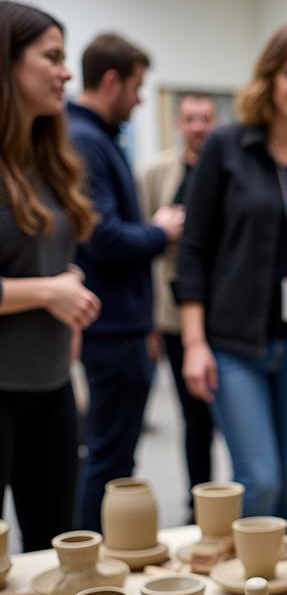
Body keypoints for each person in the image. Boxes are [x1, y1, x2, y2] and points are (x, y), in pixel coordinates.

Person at [178, 22, 287, 556]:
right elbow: (194, 249)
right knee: (261, 478)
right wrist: (193, 342)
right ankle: (251, 592)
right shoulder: (226, 147)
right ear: (271, 76)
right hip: (236, 346)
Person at [0, 0, 101, 595]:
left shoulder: (50, 157)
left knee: (55, 565)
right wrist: (49, 292)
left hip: (46, 390)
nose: (66, 71)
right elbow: (44, 283)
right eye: (52, 56)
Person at [68, 32, 184, 531]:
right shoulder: (85, 140)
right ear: (112, 80)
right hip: (111, 332)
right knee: (108, 461)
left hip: (122, 328)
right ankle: (89, 567)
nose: (139, 99)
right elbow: (105, 239)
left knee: (112, 459)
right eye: (137, 87)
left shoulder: (93, 137)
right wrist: (161, 231)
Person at [138, 93, 217, 516]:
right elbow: (140, 242)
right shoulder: (155, 172)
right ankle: (198, 501)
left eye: (205, 118)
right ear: (178, 123)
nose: (198, 126)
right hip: (170, 313)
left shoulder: (227, 169)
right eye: (191, 119)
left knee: (223, 414)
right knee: (194, 416)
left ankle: (231, 501)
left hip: (219, 310)